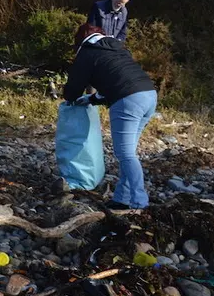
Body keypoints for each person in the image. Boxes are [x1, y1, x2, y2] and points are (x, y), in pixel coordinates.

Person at [64, 24, 157, 210]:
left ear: (80, 41)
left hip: (128, 101)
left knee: (125, 154)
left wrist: (71, 98)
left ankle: (140, 203)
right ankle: (121, 198)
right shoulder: (117, 49)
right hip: (149, 95)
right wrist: (91, 99)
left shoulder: (87, 53)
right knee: (128, 153)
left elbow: (73, 89)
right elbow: (116, 79)